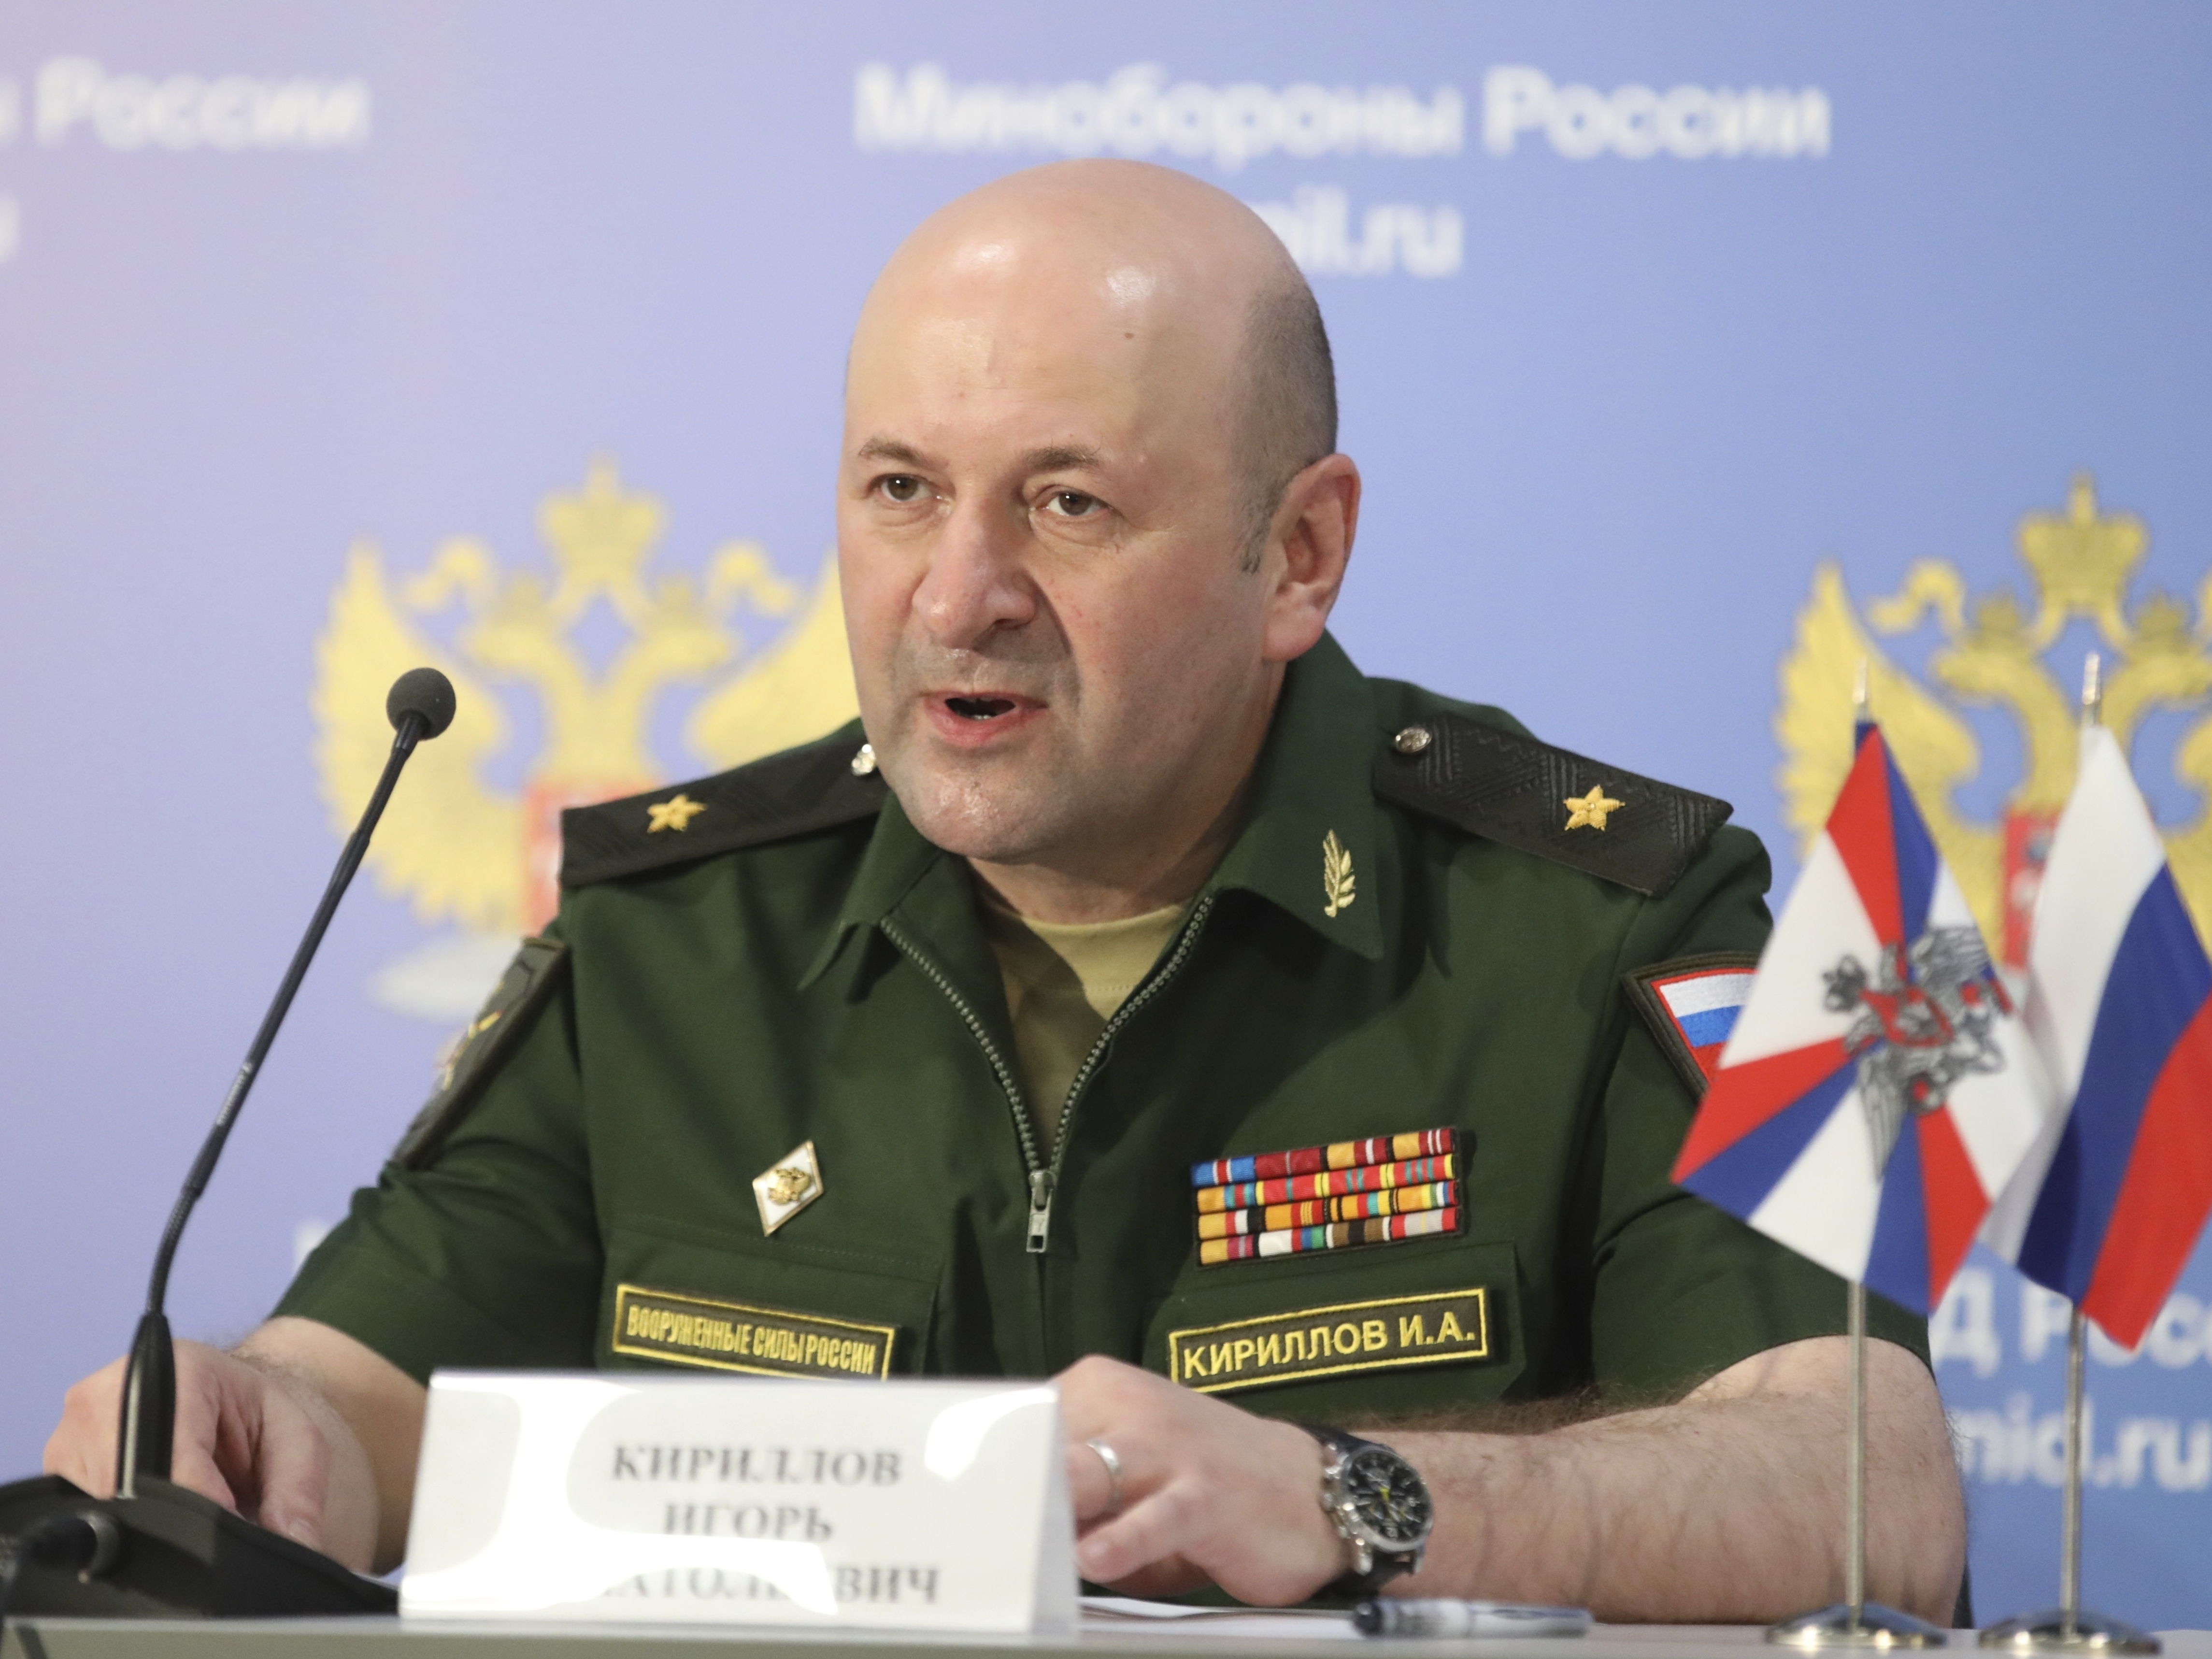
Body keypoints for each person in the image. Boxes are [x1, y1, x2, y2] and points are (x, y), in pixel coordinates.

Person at [45, 159, 1964, 1623]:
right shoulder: (676, 935)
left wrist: (1352, 1492)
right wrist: (255, 1414)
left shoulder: (1611, 913)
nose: (953, 595)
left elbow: (1869, 1488)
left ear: (1295, 553)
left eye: (1065, 502)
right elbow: (354, 1392)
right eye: (898, 490)